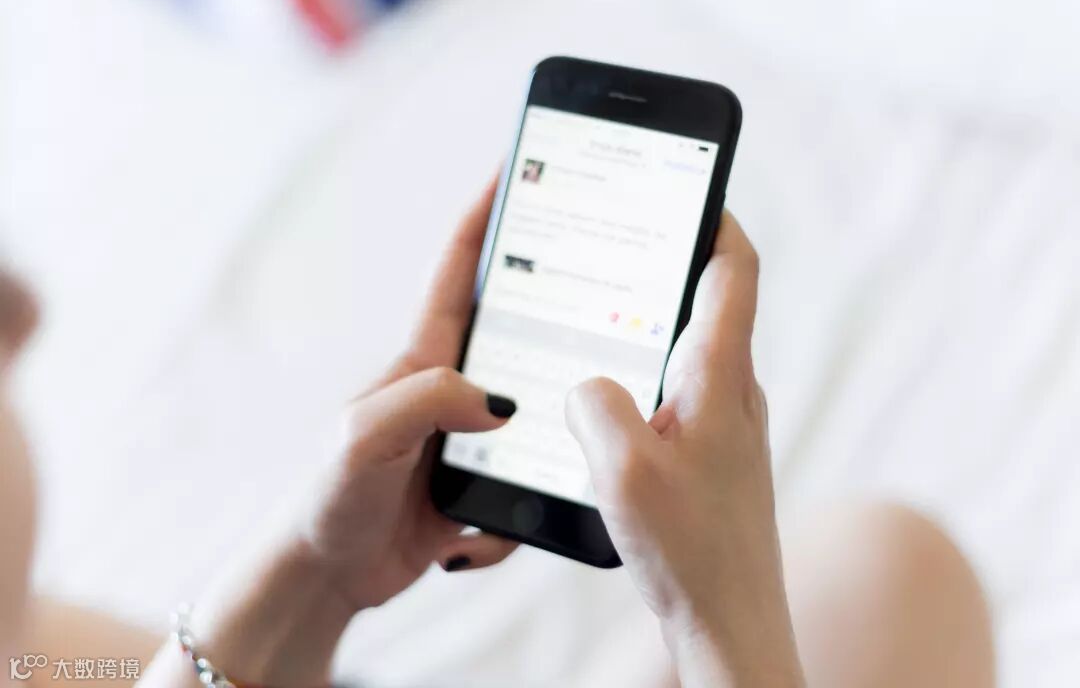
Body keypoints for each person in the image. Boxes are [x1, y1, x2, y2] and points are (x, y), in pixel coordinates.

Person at [1, 185, 994, 688]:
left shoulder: (32, 653)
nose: (24, 323)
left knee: (880, 570)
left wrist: (313, 575)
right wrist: (729, 630)